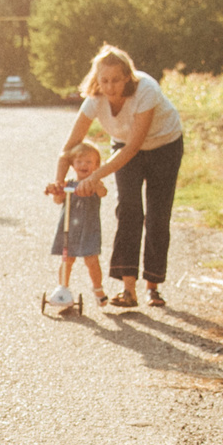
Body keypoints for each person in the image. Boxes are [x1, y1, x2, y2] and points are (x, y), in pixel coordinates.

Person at [54, 44, 185, 308]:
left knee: (158, 215)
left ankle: (153, 286)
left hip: (164, 146)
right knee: (129, 209)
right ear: (96, 80)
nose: (110, 87)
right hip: (124, 147)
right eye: (104, 81)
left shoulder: (145, 90)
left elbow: (134, 147)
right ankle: (128, 290)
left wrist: (95, 177)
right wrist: (59, 180)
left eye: (116, 80)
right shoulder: (95, 99)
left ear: (127, 76)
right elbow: (70, 146)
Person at [46, 139, 109, 307]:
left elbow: (103, 193)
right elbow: (58, 201)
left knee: (91, 261)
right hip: (69, 229)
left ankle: (98, 289)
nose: (83, 165)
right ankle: (63, 288)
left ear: (96, 165)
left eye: (89, 162)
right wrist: (55, 190)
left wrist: (95, 185)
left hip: (89, 229)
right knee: (67, 260)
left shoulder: (95, 184)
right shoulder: (68, 184)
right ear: (72, 164)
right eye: (79, 161)